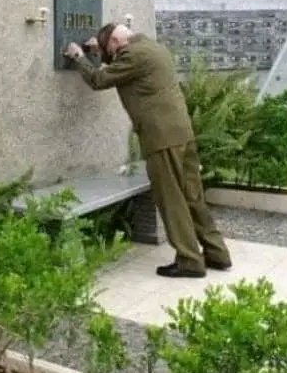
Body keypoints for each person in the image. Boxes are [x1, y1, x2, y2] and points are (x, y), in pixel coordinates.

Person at [64, 22, 232, 278]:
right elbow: (120, 64)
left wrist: (79, 56)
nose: (110, 56)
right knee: (192, 196)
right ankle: (217, 253)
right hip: (181, 133)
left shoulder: (132, 55)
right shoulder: (152, 48)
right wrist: (100, 48)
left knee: (171, 199)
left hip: (161, 137)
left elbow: (99, 80)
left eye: (109, 49)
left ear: (117, 44)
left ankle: (189, 261)